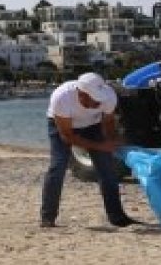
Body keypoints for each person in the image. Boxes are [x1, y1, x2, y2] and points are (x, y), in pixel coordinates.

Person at [39, 72, 137, 229]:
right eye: (95, 100)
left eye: (100, 99)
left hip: (93, 125)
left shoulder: (108, 96)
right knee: (57, 167)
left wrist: (110, 142)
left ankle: (117, 217)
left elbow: (108, 121)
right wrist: (100, 146)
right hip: (63, 128)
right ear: (82, 94)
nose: (99, 103)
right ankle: (47, 217)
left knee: (107, 168)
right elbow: (68, 137)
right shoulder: (62, 98)